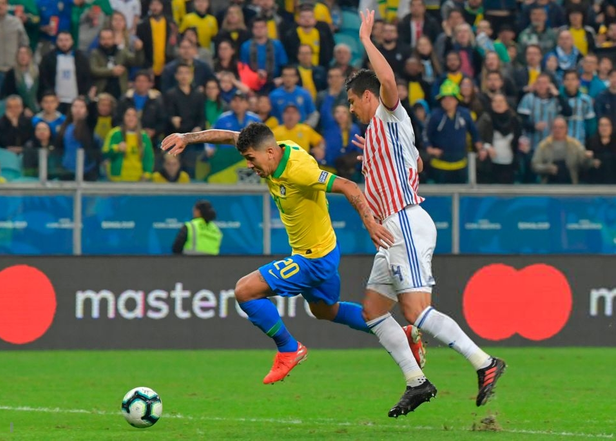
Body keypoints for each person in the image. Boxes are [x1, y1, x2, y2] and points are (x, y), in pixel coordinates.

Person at [160, 121, 423, 386]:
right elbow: (228, 136)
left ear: (270, 153)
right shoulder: (272, 149)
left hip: (313, 259)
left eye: (251, 159)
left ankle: (288, 348)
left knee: (244, 291)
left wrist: (370, 223)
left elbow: (349, 186)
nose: (249, 165)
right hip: (326, 250)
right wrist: (187, 137)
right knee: (326, 311)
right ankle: (400, 336)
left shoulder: (300, 171)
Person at [345, 10, 505, 418]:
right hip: (390, 232)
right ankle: (417, 382)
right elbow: (413, 165)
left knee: (416, 312)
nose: (351, 110)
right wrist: (383, 157)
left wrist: (366, 39)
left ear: (368, 96)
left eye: (352, 101)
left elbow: (389, 83)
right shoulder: (380, 136)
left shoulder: (387, 113)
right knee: (373, 311)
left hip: (405, 222)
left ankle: (484, 363)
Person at [532, 116, 597, 184]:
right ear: (551, 129)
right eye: (555, 127)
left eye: (561, 127)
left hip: (571, 185)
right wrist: (547, 168)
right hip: (548, 186)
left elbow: (584, 165)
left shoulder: (575, 145)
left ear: (566, 129)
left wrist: (588, 159)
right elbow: (535, 165)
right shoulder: (543, 145)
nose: (558, 130)